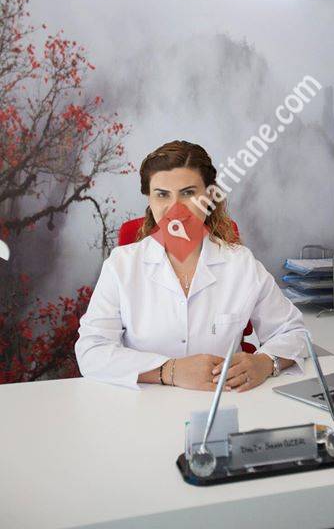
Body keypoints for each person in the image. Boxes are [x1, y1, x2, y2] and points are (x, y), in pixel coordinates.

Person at [75, 140, 307, 391]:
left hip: (223, 402)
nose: (176, 209)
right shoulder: (121, 265)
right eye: (162, 194)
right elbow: (91, 350)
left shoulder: (241, 263)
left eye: (187, 193)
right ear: (149, 199)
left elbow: (293, 331)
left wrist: (265, 363)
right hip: (143, 406)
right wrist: (169, 371)